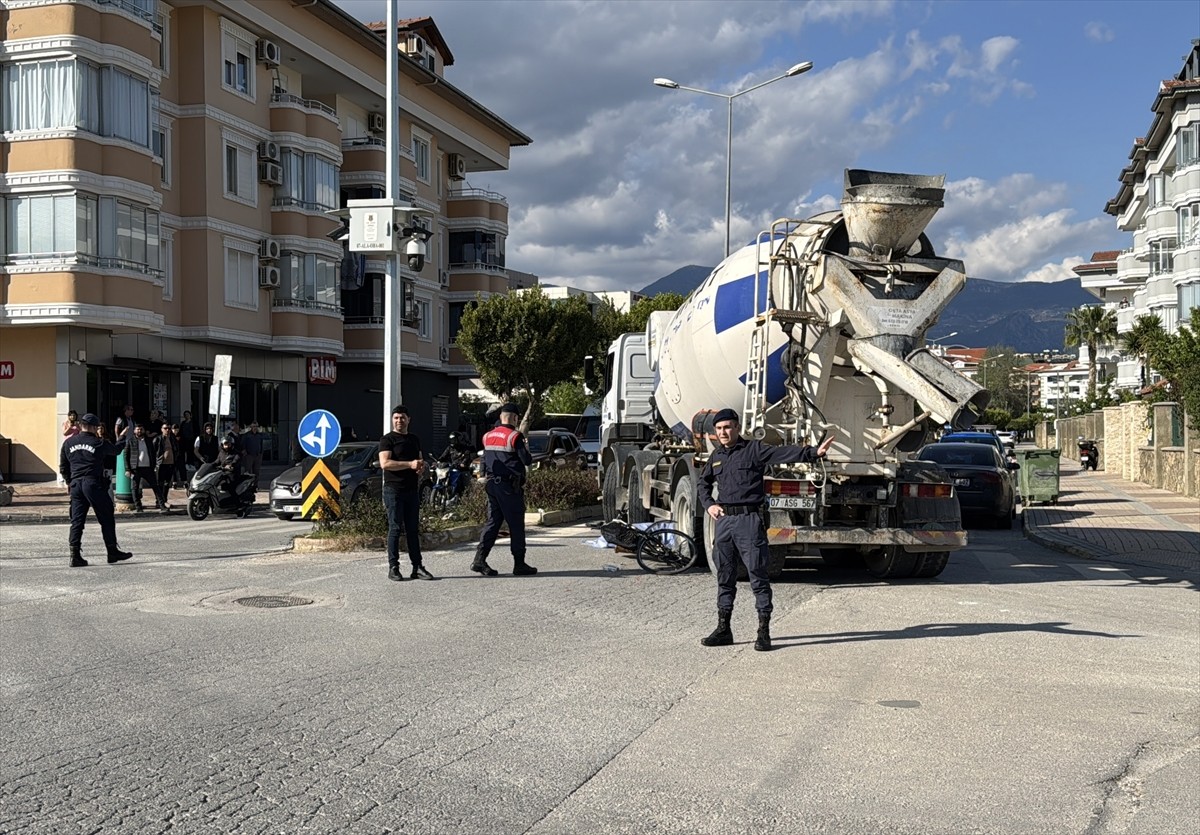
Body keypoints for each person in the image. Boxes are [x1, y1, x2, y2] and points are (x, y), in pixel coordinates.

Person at [697, 408, 834, 652]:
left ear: (737, 428)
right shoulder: (717, 456)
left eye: (727, 427)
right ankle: (723, 629)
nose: (723, 432)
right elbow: (703, 483)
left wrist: (813, 453)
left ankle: (763, 631)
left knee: (757, 576)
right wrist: (709, 505)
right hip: (725, 522)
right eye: (719, 429)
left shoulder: (753, 450)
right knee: (725, 576)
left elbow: (781, 453)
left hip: (749, 521)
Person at [59, 413, 134, 567]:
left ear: (81, 426)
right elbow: (116, 450)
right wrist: (121, 437)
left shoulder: (68, 443)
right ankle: (112, 551)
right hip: (92, 483)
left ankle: (74, 555)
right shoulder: (98, 442)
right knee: (106, 517)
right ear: (94, 427)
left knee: (77, 521)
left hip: (76, 485)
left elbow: (63, 466)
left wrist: (69, 481)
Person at [471, 402, 536, 577]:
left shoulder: (488, 435)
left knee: (493, 522)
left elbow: (485, 458)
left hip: (492, 485)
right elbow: (526, 460)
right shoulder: (515, 436)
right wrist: (526, 447)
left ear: (501, 416)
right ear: (515, 418)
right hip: (509, 486)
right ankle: (519, 563)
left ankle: (479, 559)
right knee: (516, 524)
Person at [378, 405, 434, 582]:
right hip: (393, 490)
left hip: (411, 490)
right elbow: (385, 463)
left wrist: (420, 467)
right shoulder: (387, 440)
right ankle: (393, 567)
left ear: (409, 419)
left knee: (412, 530)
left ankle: (417, 566)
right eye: (396, 418)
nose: (399, 421)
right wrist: (409, 465)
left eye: (402, 417)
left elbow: (418, 460)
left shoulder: (414, 439)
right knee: (395, 528)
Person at [125, 423, 159, 513]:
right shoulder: (130, 441)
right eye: (137, 429)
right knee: (134, 488)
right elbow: (126, 456)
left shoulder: (148, 441)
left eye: (141, 429)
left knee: (155, 486)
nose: (139, 431)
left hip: (148, 468)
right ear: (134, 431)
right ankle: (138, 507)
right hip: (136, 468)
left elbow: (153, 453)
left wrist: (154, 465)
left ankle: (161, 504)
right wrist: (128, 469)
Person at [153, 423, 178, 511]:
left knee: (167, 483)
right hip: (161, 464)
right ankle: (158, 501)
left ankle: (164, 500)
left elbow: (176, 450)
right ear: (161, 429)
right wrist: (155, 464)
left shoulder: (172, 438)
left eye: (169, 428)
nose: (167, 430)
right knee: (159, 483)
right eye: (165, 428)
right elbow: (153, 452)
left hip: (171, 464)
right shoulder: (158, 439)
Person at [57, 410, 82, 487]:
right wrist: (70, 427)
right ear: (68, 416)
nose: (72, 417)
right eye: (71, 415)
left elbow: (81, 432)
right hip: (68, 444)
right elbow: (64, 433)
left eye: (74, 415)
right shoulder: (66, 423)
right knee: (66, 460)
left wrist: (77, 427)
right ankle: (65, 478)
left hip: (76, 444)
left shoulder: (78, 423)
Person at [241, 421, 263, 488]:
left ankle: (255, 485)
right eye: (253, 426)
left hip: (257, 456)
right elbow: (243, 445)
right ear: (251, 427)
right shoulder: (247, 435)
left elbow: (261, 444)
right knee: (248, 471)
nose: (255, 428)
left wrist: (261, 453)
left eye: (256, 426)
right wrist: (245, 453)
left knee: (256, 472)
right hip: (249, 456)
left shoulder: (259, 435)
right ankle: (247, 486)